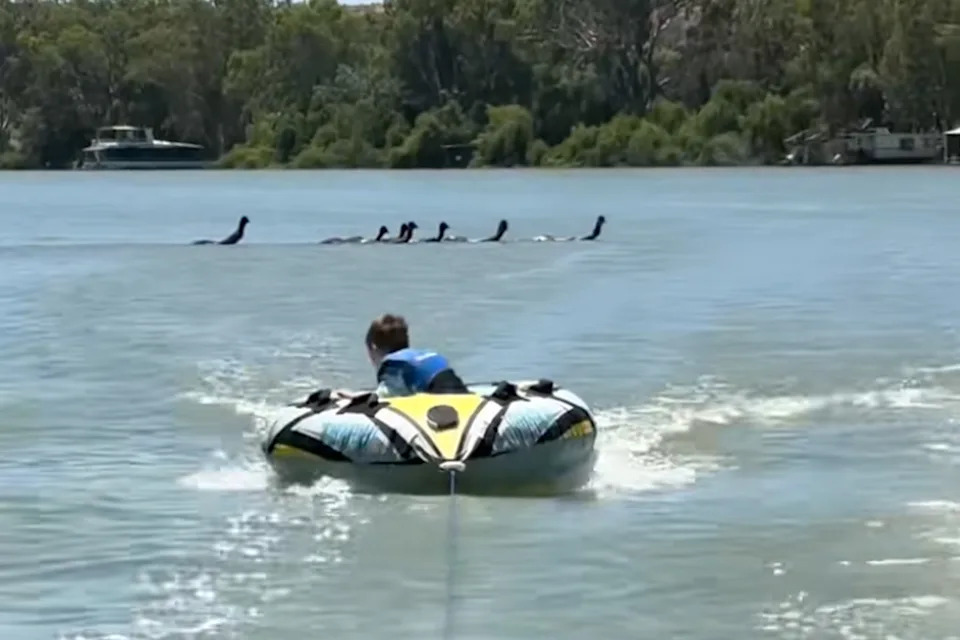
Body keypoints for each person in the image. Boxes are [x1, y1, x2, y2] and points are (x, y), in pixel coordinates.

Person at [363, 313, 468, 397]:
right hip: (464, 396)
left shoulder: (393, 367)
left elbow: (382, 397)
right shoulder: (424, 355)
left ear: (373, 347)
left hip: (446, 405)